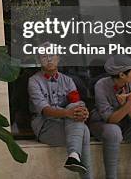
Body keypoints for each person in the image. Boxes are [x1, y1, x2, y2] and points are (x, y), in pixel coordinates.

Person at [27, 45, 92, 177]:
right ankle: (79, 163)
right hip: (45, 126)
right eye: (44, 56)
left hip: (67, 123)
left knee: (77, 107)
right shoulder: (34, 81)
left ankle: (74, 156)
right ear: (39, 60)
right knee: (84, 131)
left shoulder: (68, 81)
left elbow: (75, 103)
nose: (49, 59)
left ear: (58, 58)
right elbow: (44, 110)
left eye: (52, 55)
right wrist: (69, 113)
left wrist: (83, 111)